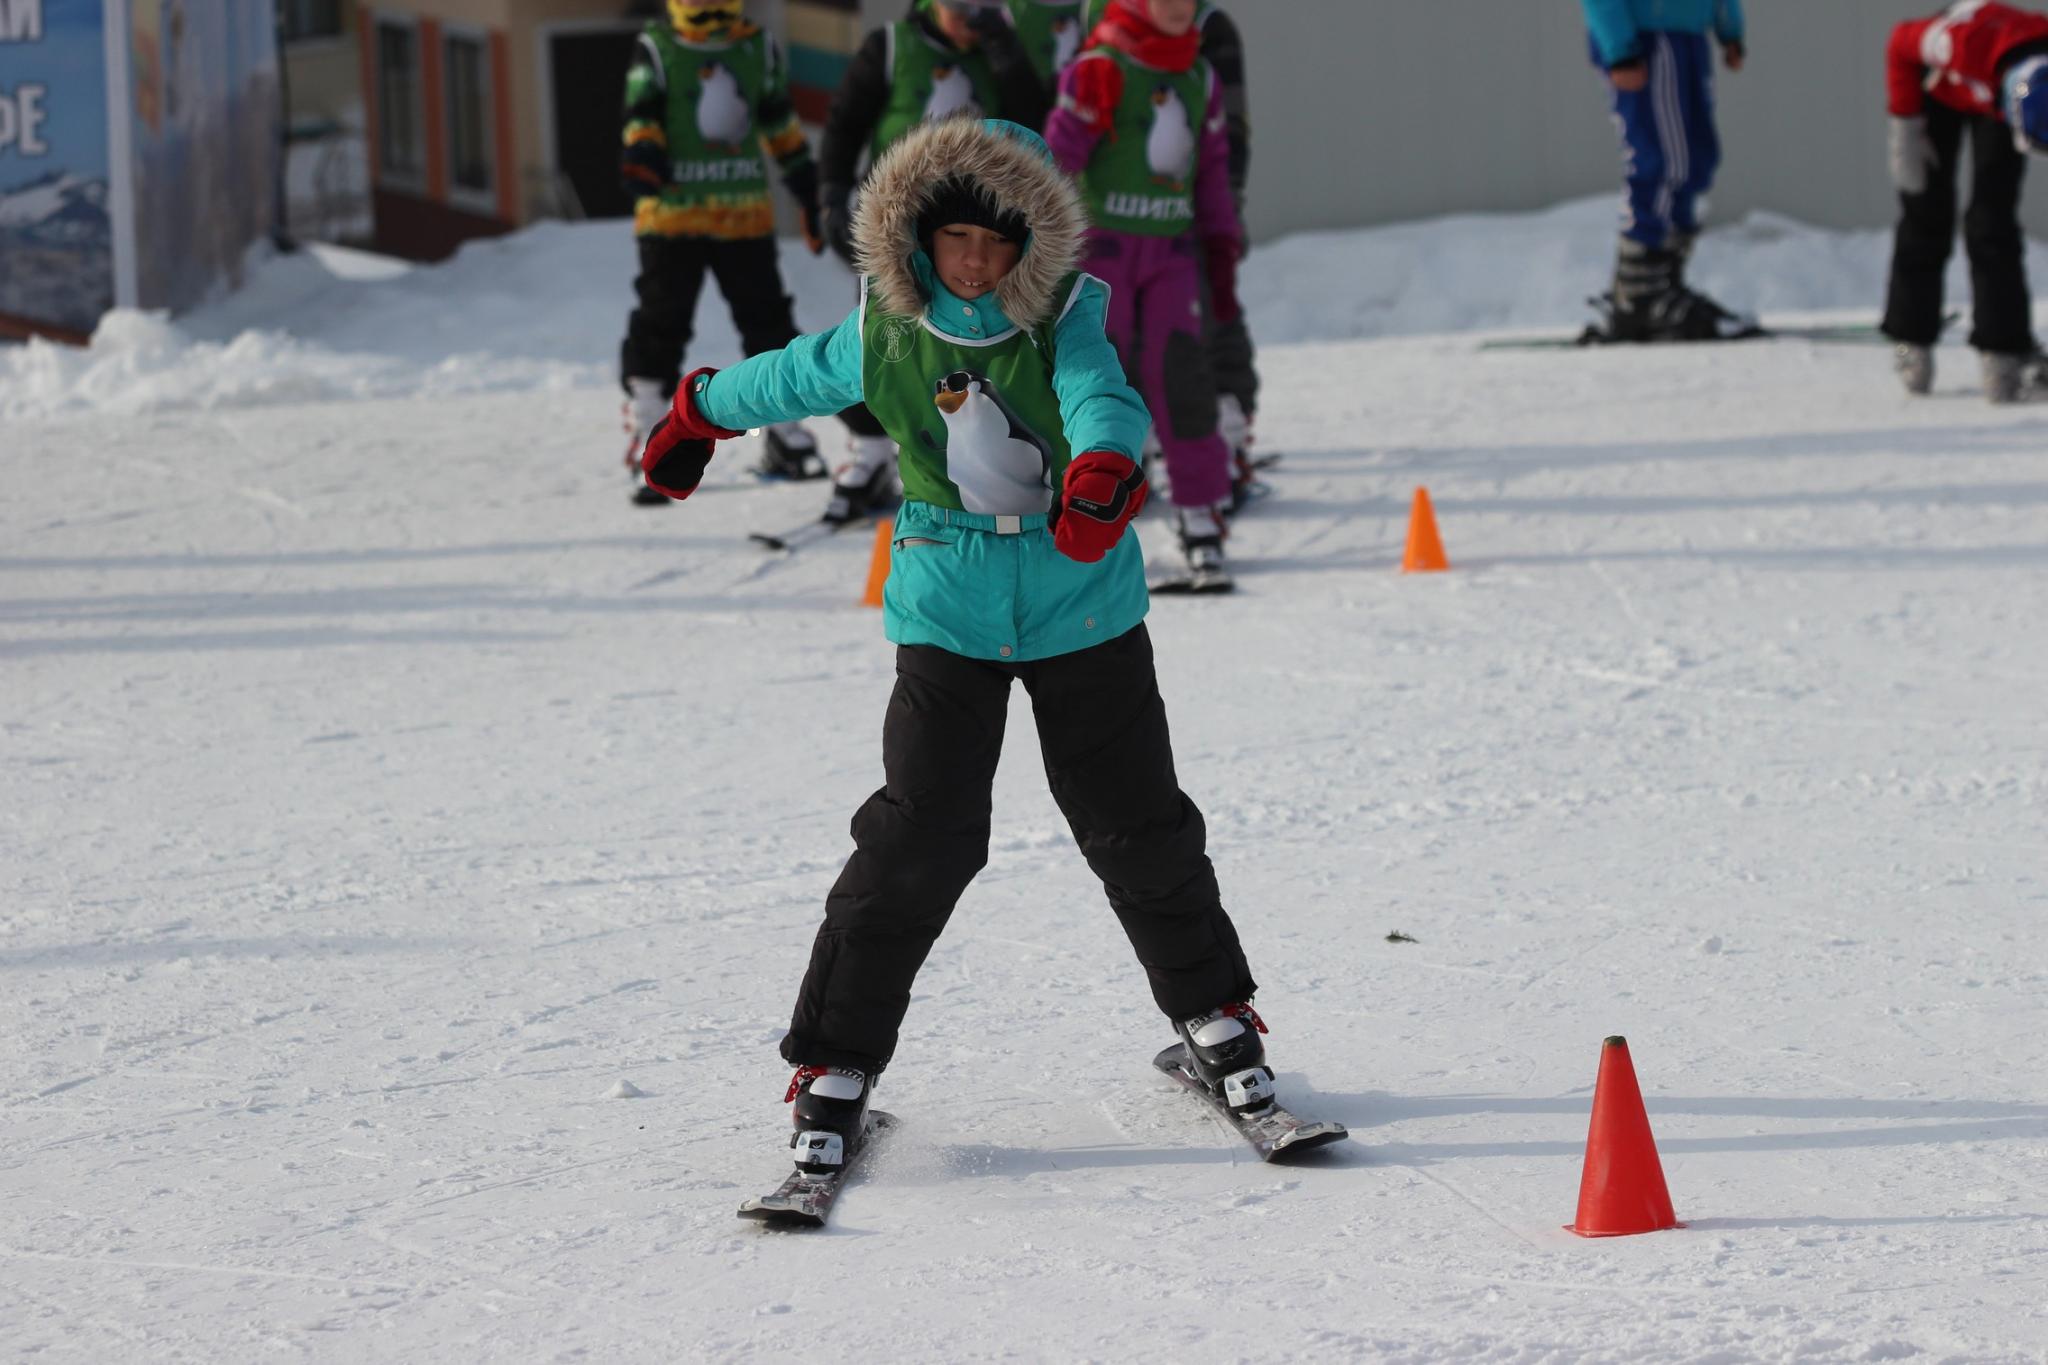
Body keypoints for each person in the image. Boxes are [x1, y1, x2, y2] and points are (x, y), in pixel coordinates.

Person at [636, 117, 1273, 1167]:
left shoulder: (1065, 312)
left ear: (1031, 243)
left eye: (997, 242)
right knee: (919, 837)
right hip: (947, 606)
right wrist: (696, 411)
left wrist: (1104, 470)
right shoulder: (884, 330)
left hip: (1081, 600)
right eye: (955, 241)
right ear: (915, 239)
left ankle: (1217, 1022)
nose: (974, 263)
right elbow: (786, 378)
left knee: (1134, 823)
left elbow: (1098, 394)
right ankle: (834, 1065)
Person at [807, 0, 1053, 526]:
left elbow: (1038, 127)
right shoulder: (892, 47)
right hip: (902, 232)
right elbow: (845, 122)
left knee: (984, 346)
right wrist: (829, 192)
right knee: (881, 340)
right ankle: (870, 451)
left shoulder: (1001, 50)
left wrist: (1006, 54)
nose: (968, 12)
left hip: (978, 235)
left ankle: (984, 457)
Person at [1047, 0, 1244, 588]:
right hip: (1104, 253)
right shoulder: (1099, 68)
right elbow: (1052, 163)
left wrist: (1221, 248)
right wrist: (1031, 247)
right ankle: (1079, 506)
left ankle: (1199, 511)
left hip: (1172, 254)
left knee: (1183, 376)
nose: (1179, 8)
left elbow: (1210, 167)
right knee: (1101, 383)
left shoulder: (1198, 76)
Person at [617, 0, 830, 502]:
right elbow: (640, 113)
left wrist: (806, 186)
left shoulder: (757, 47)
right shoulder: (658, 47)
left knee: (768, 323)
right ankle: (651, 436)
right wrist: (641, 150)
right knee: (659, 325)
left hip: (741, 215)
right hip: (673, 218)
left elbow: (779, 122)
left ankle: (783, 432)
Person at [1883, 1, 2048, 402]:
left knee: (1993, 219)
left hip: (2003, 99)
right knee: (1926, 210)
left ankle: (2003, 350)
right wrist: (1904, 124)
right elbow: (1898, 45)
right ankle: (1912, 339)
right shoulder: (1955, 42)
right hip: (1941, 91)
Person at [1581, 0, 1750, 342]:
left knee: (1696, 160)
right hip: (1644, 38)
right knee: (1661, 161)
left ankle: (1665, 279)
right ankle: (1638, 290)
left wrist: (1729, 27)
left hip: (1687, 32)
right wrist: (1620, 47)